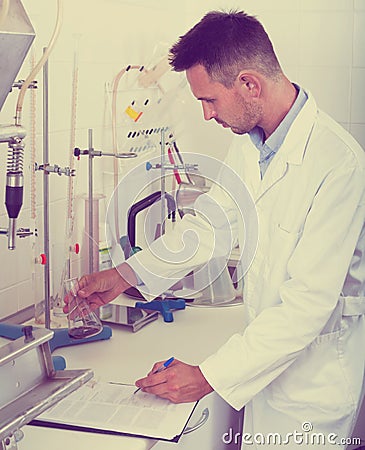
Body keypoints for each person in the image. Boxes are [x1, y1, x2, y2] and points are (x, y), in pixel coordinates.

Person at [65, 11, 365, 449]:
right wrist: (123, 275)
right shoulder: (252, 144)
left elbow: (305, 308)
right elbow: (210, 224)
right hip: (265, 371)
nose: (206, 115)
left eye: (209, 100)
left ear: (249, 85)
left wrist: (207, 376)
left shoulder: (339, 165)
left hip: (312, 389)